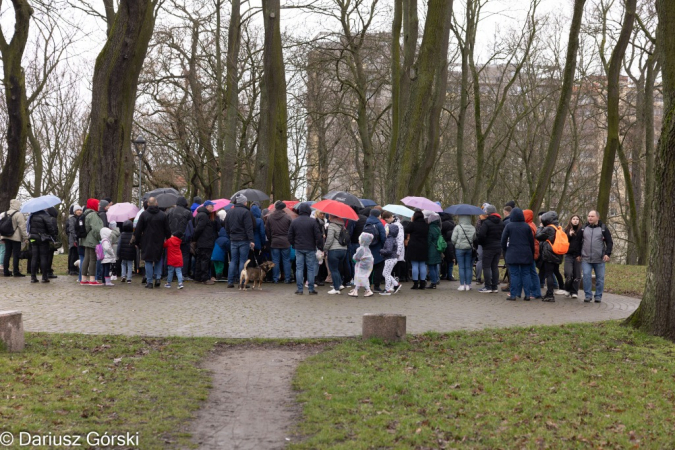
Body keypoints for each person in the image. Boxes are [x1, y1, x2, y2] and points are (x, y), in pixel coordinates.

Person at [133, 197, 171, 289]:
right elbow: (167, 230)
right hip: (159, 240)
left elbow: (138, 230)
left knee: (148, 261)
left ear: (148, 204)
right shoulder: (162, 215)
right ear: (156, 203)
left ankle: (149, 281)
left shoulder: (144, 215)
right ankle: (158, 278)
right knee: (158, 259)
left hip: (146, 240)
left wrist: (136, 241)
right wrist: (168, 238)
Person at [287, 202, 323, 295]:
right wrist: (320, 247)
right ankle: (311, 289)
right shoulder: (313, 222)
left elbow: (290, 235)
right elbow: (318, 236)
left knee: (299, 268)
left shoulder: (295, 221)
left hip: (298, 247)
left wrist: (293, 244)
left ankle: (300, 289)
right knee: (310, 268)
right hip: (310, 247)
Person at [500, 208, 534, 300]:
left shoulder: (509, 226)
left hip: (512, 252)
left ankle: (513, 295)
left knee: (514, 274)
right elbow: (531, 241)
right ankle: (527, 295)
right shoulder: (526, 226)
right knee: (526, 274)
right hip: (526, 252)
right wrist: (532, 252)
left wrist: (505, 250)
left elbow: (503, 240)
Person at [579, 210, 613, 303]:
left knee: (600, 278)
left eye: (592, 216)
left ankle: (598, 296)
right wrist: (578, 254)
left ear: (597, 217)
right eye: (589, 216)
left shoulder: (603, 228)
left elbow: (609, 242)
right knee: (586, 276)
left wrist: (607, 254)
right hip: (586, 258)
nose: (590, 218)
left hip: (599, 259)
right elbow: (578, 242)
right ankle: (588, 295)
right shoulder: (583, 228)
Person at [225, 194, 255, 288]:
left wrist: (230, 234)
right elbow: (249, 227)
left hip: (233, 239)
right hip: (244, 239)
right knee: (243, 260)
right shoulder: (246, 212)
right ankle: (241, 282)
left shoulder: (230, 211)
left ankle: (230, 281)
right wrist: (251, 239)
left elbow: (226, 225)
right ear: (244, 202)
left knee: (233, 260)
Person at [535, 211, 563, 302]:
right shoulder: (558, 228)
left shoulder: (549, 229)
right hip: (556, 254)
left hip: (549, 255)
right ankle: (549, 293)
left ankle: (550, 294)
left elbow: (538, 236)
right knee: (551, 273)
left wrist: (540, 227)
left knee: (549, 274)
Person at [477, 205, 504, 293]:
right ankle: (494, 286)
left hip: (488, 247)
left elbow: (481, 235)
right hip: (498, 247)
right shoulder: (501, 222)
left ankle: (487, 286)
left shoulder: (486, 223)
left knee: (486, 267)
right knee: (494, 267)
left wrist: (482, 243)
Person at [28, 209, 58, 283]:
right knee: (43, 257)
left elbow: (28, 228)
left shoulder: (31, 216)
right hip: (43, 239)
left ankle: (33, 277)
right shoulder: (45, 216)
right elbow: (50, 228)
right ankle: (44, 276)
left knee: (34, 257)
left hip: (33, 238)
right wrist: (53, 237)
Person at [265, 201, 292, 283]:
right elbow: (291, 230)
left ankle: (275, 278)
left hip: (274, 241)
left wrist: (270, 239)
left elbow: (267, 230)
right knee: (286, 261)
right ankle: (287, 279)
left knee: (275, 261)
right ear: (283, 208)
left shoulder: (270, 217)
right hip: (285, 242)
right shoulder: (288, 217)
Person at [2, 199, 28, 277]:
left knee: (7, 254)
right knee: (16, 254)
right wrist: (25, 237)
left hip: (6, 236)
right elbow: (22, 227)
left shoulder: (5, 213)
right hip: (15, 237)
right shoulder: (19, 214)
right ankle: (16, 271)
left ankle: (5, 271)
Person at [193, 200, 218, 285]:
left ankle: (198, 277)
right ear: (207, 207)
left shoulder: (200, 214)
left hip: (202, 241)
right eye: (212, 206)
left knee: (199, 259)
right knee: (204, 260)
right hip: (205, 241)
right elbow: (199, 228)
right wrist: (195, 238)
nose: (213, 208)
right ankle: (204, 278)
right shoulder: (204, 216)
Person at [81, 198, 104, 286]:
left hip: (86, 240)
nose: (99, 206)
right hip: (92, 240)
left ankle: (83, 279)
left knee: (86, 258)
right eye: (98, 204)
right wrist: (100, 238)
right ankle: (92, 279)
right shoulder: (93, 215)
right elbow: (96, 229)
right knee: (93, 259)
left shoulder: (86, 213)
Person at [323, 214, 348, 295]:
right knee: (338, 268)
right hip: (343, 250)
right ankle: (339, 284)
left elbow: (329, 240)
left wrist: (325, 248)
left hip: (334, 250)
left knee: (333, 269)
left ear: (331, 217)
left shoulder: (332, 226)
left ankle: (336, 288)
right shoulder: (342, 226)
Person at [405, 210, 429, 290]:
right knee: (422, 265)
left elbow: (406, 230)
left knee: (414, 265)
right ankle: (422, 283)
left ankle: (415, 283)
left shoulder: (413, 224)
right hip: (424, 246)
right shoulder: (426, 225)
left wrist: (411, 221)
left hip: (414, 246)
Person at [451, 214, 476, 291]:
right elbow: (474, 238)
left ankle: (462, 285)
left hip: (459, 248)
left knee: (461, 267)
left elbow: (453, 239)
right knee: (468, 267)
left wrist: (456, 244)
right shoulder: (472, 227)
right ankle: (468, 285)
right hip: (469, 248)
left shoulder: (458, 227)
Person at [168, 196, 193, 273]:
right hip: (183, 237)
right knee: (184, 256)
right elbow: (190, 225)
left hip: (172, 237)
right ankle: (183, 273)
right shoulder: (188, 213)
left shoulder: (170, 211)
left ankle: (169, 274)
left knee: (170, 255)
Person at [364, 209, 386, 292]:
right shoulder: (379, 224)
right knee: (378, 268)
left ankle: (368, 286)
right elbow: (383, 237)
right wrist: (384, 247)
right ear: (378, 215)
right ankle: (376, 286)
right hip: (378, 248)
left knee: (369, 268)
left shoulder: (366, 223)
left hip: (368, 248)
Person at [523, 210, 543, 300]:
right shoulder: (532, 224)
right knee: (532, 272)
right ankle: (536, 292)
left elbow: (529, 241)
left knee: (531, 272)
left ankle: (535, 292)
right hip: (533, 251)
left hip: (530, 252)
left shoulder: (529, 226)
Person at [349, 232, 374, 297]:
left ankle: (365, 290)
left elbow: (356, 257)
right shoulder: (367, 248)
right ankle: (357, 289)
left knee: (359, 276)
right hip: (368, 265)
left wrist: (354, 257)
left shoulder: (361, 248)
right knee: (364, 277)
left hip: (362, 265)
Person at [379, 223, 401, 295]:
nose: (385, 231)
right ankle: (396, 284)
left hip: (390, 258)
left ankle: (387, 289)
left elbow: (389, 250)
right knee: (386, 273)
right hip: (392, 258)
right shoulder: (392, 239)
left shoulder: (389, 240)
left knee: (386, 274)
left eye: (387, 230)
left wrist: (381, 251)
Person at [564, 214, 583, 298]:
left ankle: (574, 292)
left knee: (577, 275)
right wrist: (569, 235)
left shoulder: (582, 231)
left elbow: (583, 243)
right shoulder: (566, 230)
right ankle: (567, 289)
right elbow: (563, 243)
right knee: (568, 273)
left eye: (577, 219)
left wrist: (581, 255)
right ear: (570, 220)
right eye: (574, 219)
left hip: (578, 255)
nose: (575, 220)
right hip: (568, 255)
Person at [426, 213, 443, 289]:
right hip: (437, 249)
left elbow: (429, 240)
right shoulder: (438, 228)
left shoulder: (430, 228)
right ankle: (436, 280)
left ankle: (433, 283)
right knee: (435, 266)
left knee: (431, 266)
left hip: (431, 250)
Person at [66, 204, 82, 275]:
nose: (79, 211)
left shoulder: (80, 218)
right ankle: (72, 269)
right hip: (73, 239)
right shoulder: (72, 219)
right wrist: (75, 238)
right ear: (74, 211)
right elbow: (71, 229)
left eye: (80, 210)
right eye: (77, 210)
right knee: (73, 254)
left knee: (76, 254)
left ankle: (75, 269)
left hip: (77, 238)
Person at [440, 213, 456, 281]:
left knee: (444, 261)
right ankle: (449, 275)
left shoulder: (442, 224)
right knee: (450, 262)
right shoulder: (453, 224)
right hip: (451, 244)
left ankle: (444, 274)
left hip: (443, 243)